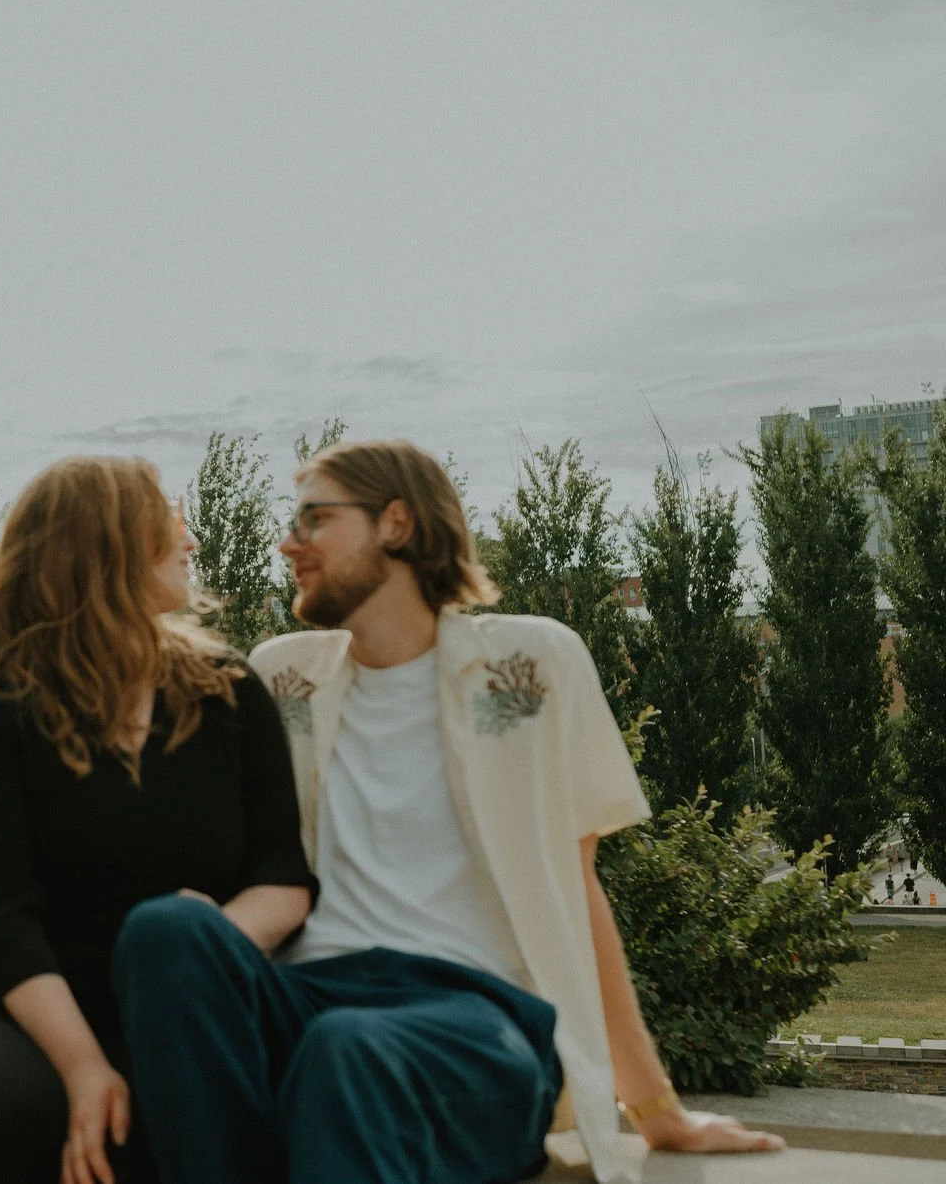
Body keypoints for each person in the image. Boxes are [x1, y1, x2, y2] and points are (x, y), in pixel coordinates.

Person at [111, 440, 783, 1184]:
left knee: (349, 1049)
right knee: (164, 930)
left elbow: (577, 888)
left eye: (316, 519)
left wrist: (658, 1111)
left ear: (395, 523)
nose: (288, 543)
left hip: (472, 1020)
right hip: (307, 998)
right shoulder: (282, 674)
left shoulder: (536, 663)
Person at [0, 456, 317, 1184]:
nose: (188, 544)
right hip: (1, 998)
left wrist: (202, 946)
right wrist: (84, 1067)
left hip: (173, 1000)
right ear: (108, 550)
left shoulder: (227, 694)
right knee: (7, 1111)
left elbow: (283, 878)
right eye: (168, 528)